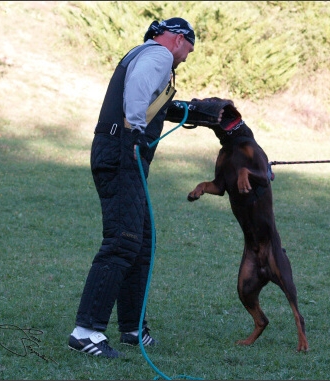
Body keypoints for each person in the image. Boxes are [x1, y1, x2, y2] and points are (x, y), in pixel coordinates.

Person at [68, 17, 195, 358]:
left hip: (118, 149)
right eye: (187, 53)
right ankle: (86, 331)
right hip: (122, 150)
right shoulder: (159, 56)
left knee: (141, 242)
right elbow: (138, 91)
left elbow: (148, 98)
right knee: (123, 242)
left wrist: (191, 111)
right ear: (179, 40)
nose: (183, 60)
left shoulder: (145, 53)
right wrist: (135, 134)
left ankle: (132, 328)